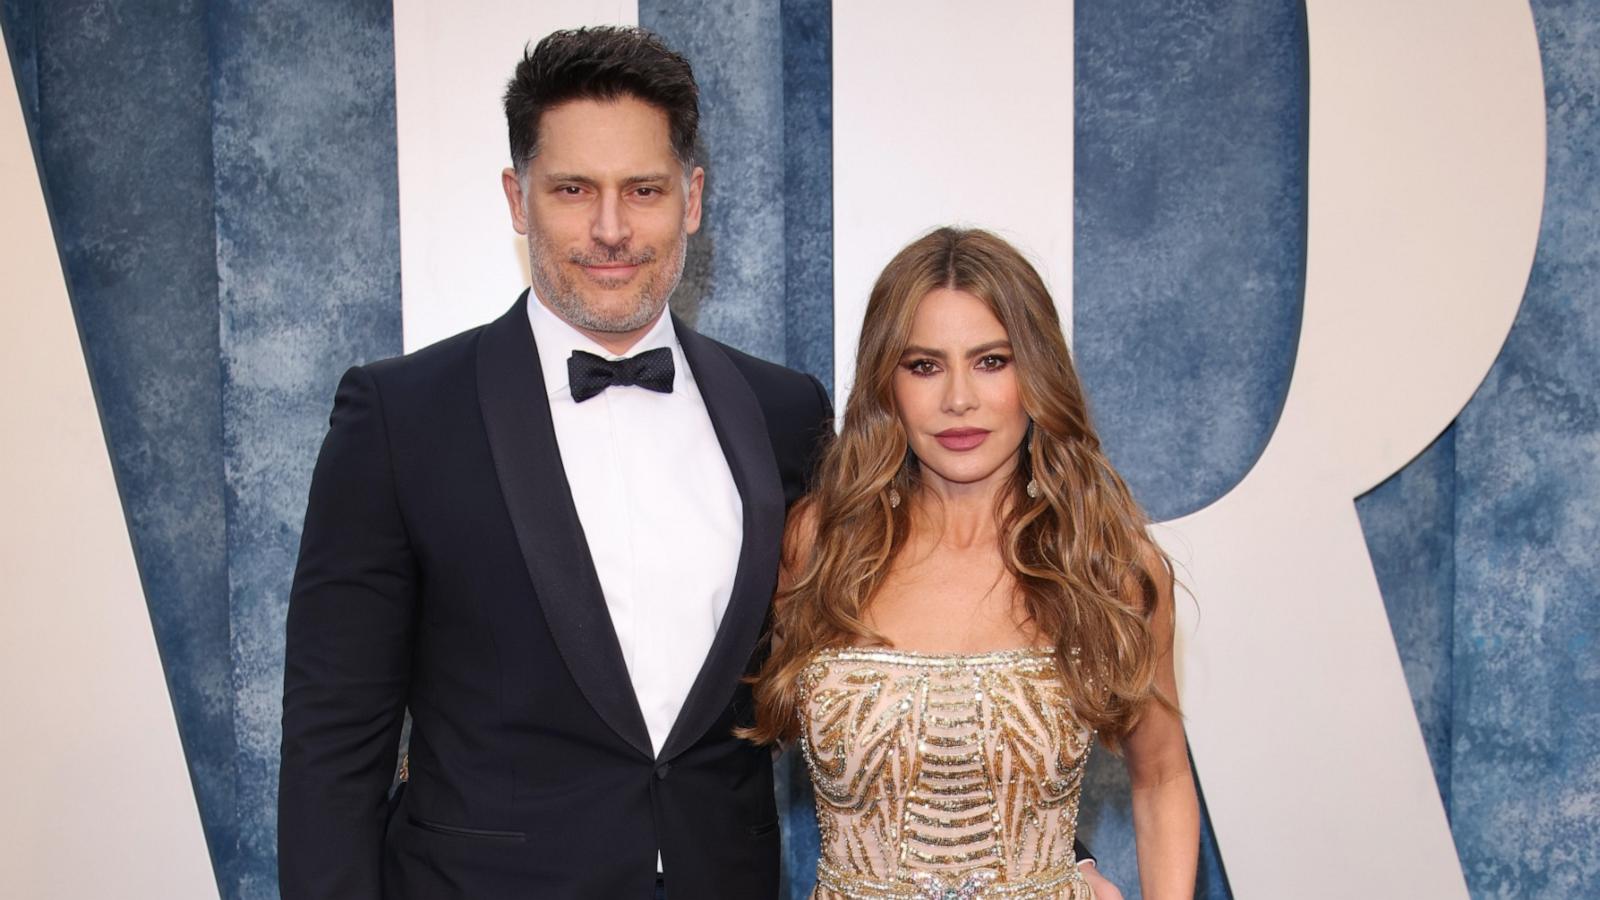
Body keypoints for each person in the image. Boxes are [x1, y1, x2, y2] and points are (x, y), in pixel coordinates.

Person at [276, 27, 835, 899]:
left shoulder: (785, 412)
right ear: (516, 196)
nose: (610, 230)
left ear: (692, 197)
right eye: (573, 189)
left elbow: (879, 668)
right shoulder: (400, 417)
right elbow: (332, 740)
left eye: (642, 190)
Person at [745, 227, 1199, 899]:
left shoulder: (1106, 564)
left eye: (991, 361)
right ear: (886, 383)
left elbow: (1161, 779)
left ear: (1036, 372)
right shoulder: (821, 544)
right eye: (924, 365)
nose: (959, 398)